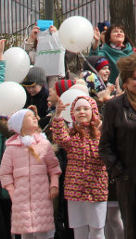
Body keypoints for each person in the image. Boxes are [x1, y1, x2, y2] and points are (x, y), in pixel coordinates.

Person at [99, 53, 136, 239]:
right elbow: (105, 146)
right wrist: (120, 173)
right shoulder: (115, 106)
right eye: (135, 79)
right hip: (129, 180)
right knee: (135, 230)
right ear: (125, 82)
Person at [52, 93, 109, 239]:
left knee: (97, 231)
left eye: (85, 109)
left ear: (93, 111)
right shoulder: (72, 136)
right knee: (79, 231)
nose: (82, 112)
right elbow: (59, 136)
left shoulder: (102, 134)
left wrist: (102, 127)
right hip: (75, 191)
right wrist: (58, 115)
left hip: (97, 189)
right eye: (77, 109)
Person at [1, 108, 62, 239]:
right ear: (20, 123)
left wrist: (54, 185)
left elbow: (54, 167)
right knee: (25, 232)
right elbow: (5, 173)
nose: (34, 118)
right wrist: (12, 192)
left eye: (34, 115)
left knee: (43, 232)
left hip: (42, 197)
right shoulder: (12, 148)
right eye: (29, 116)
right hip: (21, 199)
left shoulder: (44, 144)